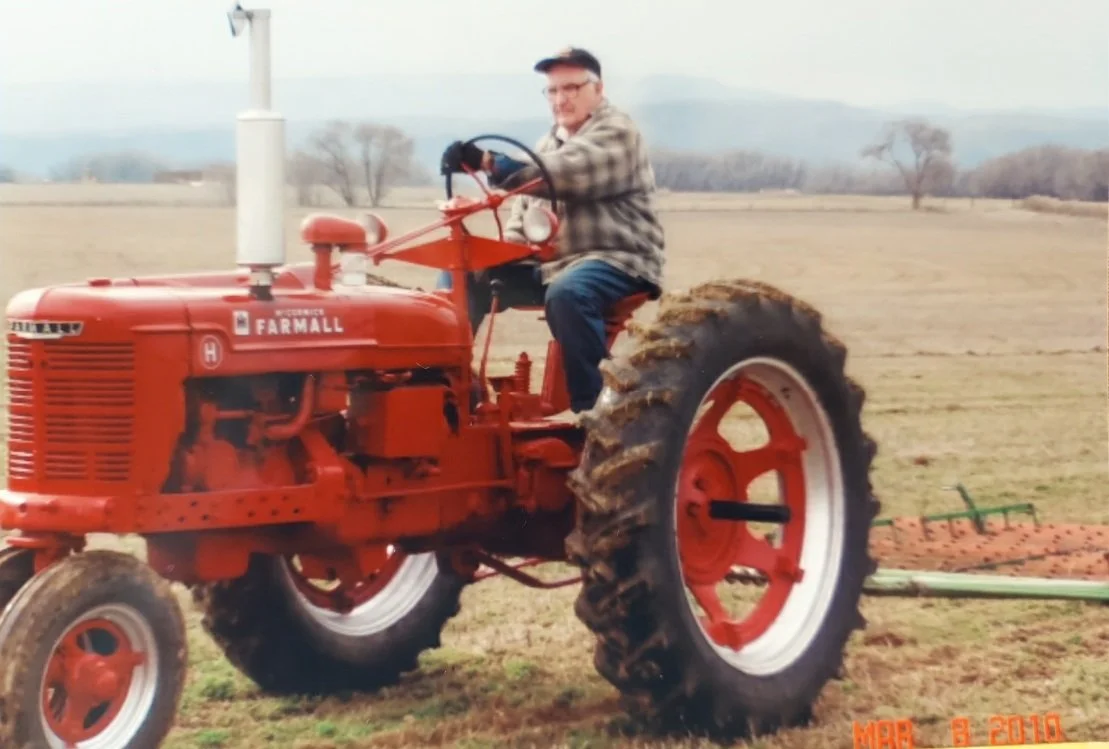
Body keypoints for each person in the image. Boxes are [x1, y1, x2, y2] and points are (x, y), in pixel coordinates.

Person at [438, 47, 666, 418]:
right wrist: (488, 259)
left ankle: (596, 415)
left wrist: (487, 162)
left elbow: (560, 175)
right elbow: (519, 224)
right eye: (554, 91)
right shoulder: (546, 146)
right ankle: (449, 392)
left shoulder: (617, 133)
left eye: (572, 88)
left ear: (598, 88)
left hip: (617, 259)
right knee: (459, 273)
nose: (562, 99)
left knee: (569, 294)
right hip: (551, 266)